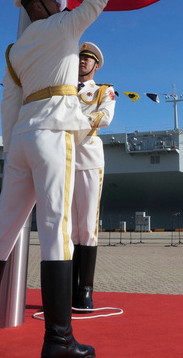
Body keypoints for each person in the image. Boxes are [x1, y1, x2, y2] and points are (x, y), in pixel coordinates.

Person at [0, 0, 157, 358]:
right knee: (57, 231)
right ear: (39, 5)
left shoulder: (15, 50)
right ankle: (59, 339)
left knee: (0, 234)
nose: (59, 2)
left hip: (20, 140)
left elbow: (7, 103)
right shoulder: (65, 27)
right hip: (55, 134)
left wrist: (13, 148)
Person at [71, 41, 113, 312]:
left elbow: (105, 117)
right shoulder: (61, 88)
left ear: (95, 65)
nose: (82, 62)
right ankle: (64, 287)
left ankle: (84, 290)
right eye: (80, 58)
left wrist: (71, 123)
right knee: (66, 228)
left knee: (87, 225)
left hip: (87, 157)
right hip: (60, 158)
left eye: (87, 59)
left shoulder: (103, 90)